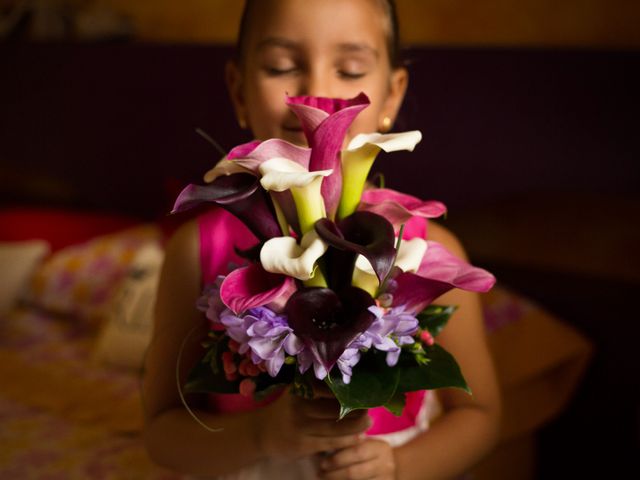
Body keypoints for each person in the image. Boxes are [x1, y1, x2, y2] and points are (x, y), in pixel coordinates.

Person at [142, 1, 501, 478]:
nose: (316, 94)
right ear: (239, 90)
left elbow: (481, 416)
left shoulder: (430, 248)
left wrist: (397, 466)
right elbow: (162, 431)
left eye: (350, 68)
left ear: (392, 96)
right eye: (281, 67)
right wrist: (261, 437)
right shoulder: (194, 250)